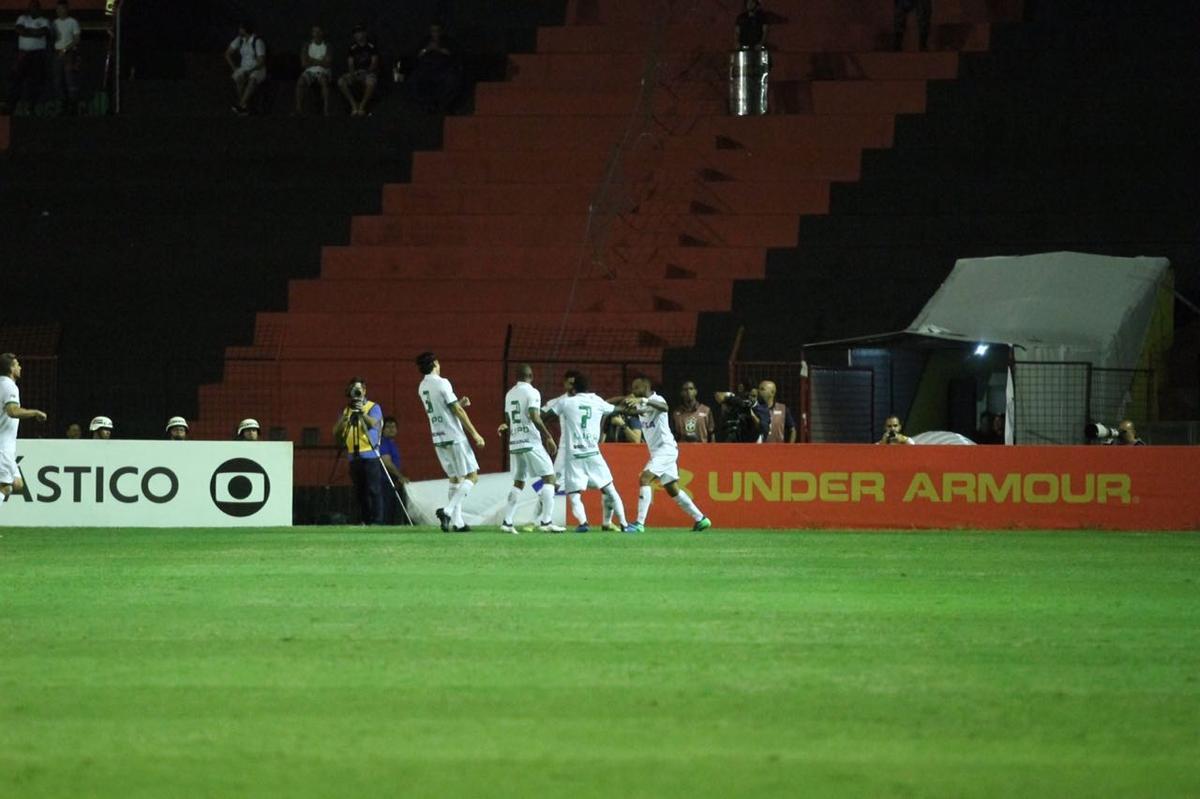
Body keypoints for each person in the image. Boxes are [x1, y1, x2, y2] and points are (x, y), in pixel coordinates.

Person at [542, 372, 635, 533]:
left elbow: (545, 416)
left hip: (574, 456)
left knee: (574, 492)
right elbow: (619, 409)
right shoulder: (597, 402)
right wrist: (638, 407)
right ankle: (625, 525)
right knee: (610, 489)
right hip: (593, 454)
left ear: (573, 388)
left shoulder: (565, 403)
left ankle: (583, 522)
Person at [623, 378, 712, 532]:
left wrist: (643, 400)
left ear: (645, 387)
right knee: (671, 488)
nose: (633, 390)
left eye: (636, 387)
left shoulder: (656, 399)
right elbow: (634, 409)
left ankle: (639, 524)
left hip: (665, 449)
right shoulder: (641, 403)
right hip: (659, 451)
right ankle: (701, 519)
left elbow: (664, 407)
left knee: (645, 478)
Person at [416, 352, 486, 532]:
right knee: (472, 476)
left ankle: (458, 522)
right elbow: (456, 411)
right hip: (454, 436)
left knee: (455, 479)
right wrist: (475, 433)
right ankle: (447, 511)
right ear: (434, 364)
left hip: (438, 437)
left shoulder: (422, 386)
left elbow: (443, 409)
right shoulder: (442, 382)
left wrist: (459, 403)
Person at [497, 364, 565, 534]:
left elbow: (508, 418)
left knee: (519, 482)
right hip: (530, 441)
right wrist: (548, 437)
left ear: (516, 377)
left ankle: (507, 521)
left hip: (515, 442)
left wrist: (507, 427)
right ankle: (546, 521)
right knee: (549, 477)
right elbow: (534, 415)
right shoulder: (532, 392)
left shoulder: (510, 393)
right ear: (531, 376)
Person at [332, 377, 384, 525]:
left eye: (359, 390)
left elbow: (374, 424)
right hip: (353, 456)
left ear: (364, 390)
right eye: (353, 390)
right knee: (360, 491)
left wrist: (362, 412)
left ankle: (377, 521)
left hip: (370, 454)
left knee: (374, 490)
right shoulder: (346, 410)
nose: (356, 393)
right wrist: (343, 420)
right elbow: (336, 432)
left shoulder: (373, 407)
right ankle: (364, 519)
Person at [1, 353, 48, 505]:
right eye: (17, 364)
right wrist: (34, 412)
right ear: (10, 368)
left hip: (5, 447)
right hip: (2, 449)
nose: (20, 367)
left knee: (17, 484)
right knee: (4, 487)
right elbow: (13, 411)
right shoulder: (9, 385)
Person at [9, 1, 52, 115]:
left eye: (35, 7)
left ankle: (31, 107)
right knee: (16, 80)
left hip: (37, 55)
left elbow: (42, 32)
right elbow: (19, 30)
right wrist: (34, 32)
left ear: (39, 9)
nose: (33, 9)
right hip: (23, 54)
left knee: (35, 81)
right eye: (31, 7)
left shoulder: (44, 20)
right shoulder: (23, 18)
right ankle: (12, 106)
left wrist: (27, 31)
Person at [408, 22, 461, 113]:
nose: (435, 33)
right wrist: (427, 49)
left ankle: (444, 105)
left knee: (452, 80)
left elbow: (454, 54)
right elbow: (417, 54)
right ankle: (426, 105)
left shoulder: (447, 41)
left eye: (437, 31)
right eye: (433, 31)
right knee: (414, 80)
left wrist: (439, 49)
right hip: (426, 69)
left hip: (444, 69)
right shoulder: (425, 41)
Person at [225, 21, 266, 116]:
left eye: (240, 29)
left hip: (257, 68)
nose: (239, 30)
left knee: (252, 79)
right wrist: (234, 68)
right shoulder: (239, 40)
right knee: (239, 78)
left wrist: (249, 72)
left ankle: (241, 104)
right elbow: (227, 54)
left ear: (245, 30)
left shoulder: (257, 41)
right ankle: (245, 106)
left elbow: (261, 61)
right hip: (244, 67)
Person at [338, 24, 379, 117]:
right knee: (341, 81)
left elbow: (374, 63)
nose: (358, 35)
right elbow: (350, 63)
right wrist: (352, 74)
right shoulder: (352, 48)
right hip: (356, 72)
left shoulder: (371, 47)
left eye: (360, 32)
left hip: (368, 72)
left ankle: (362, 106)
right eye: (356, 33)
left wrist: (366, 72)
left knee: (371, 82)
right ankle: (353, 105)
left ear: (364, 33)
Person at [378, 416, 410, 525]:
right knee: (386, 511)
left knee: (391, 511)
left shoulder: (392, 443)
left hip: (391, 481)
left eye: (393, 426)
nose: (391, 429)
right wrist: (400, 476)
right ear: (382, 430)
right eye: (388, 427)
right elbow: (387, 462)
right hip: (384, 482)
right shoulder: (383, 443)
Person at [294, 24, 332, 116]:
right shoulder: (307, 45)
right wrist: (320, 61)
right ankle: (299, 109)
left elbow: (327, 64)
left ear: (322, 33)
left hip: (324, 71)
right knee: (300, 81)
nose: (317, 34)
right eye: (315, 31)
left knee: (323, 80)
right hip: (310, 71)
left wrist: (312, 60)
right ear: (312, 33)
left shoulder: (327, 45)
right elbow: (304, 63)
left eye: (319, 31)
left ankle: (326, 110)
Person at [51, 0, 81, 114]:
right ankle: (63, 105)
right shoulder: (54, 23)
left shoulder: (72, 22)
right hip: (57, 53)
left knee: (70, 80)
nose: (59, 11)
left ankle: (73, 107)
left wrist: (65, 49)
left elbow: (77, 39)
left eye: (61, 8)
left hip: (69, 54)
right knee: (58, 81)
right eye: (57, 9)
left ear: (66, 9)